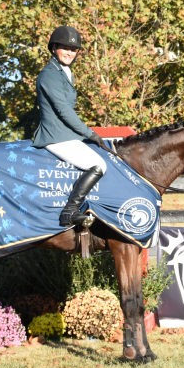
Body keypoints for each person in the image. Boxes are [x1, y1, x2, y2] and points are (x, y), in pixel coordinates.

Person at [32, 26, 110, 226]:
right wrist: (89, 133)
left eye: (73, 49)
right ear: (53, 48)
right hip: (56, 136)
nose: (69, 52)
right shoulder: (50, 74)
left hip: (66, 134)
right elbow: (64, 111)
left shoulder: (65, 71)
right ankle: (70, 211)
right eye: (64, 48)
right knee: (98, 165)